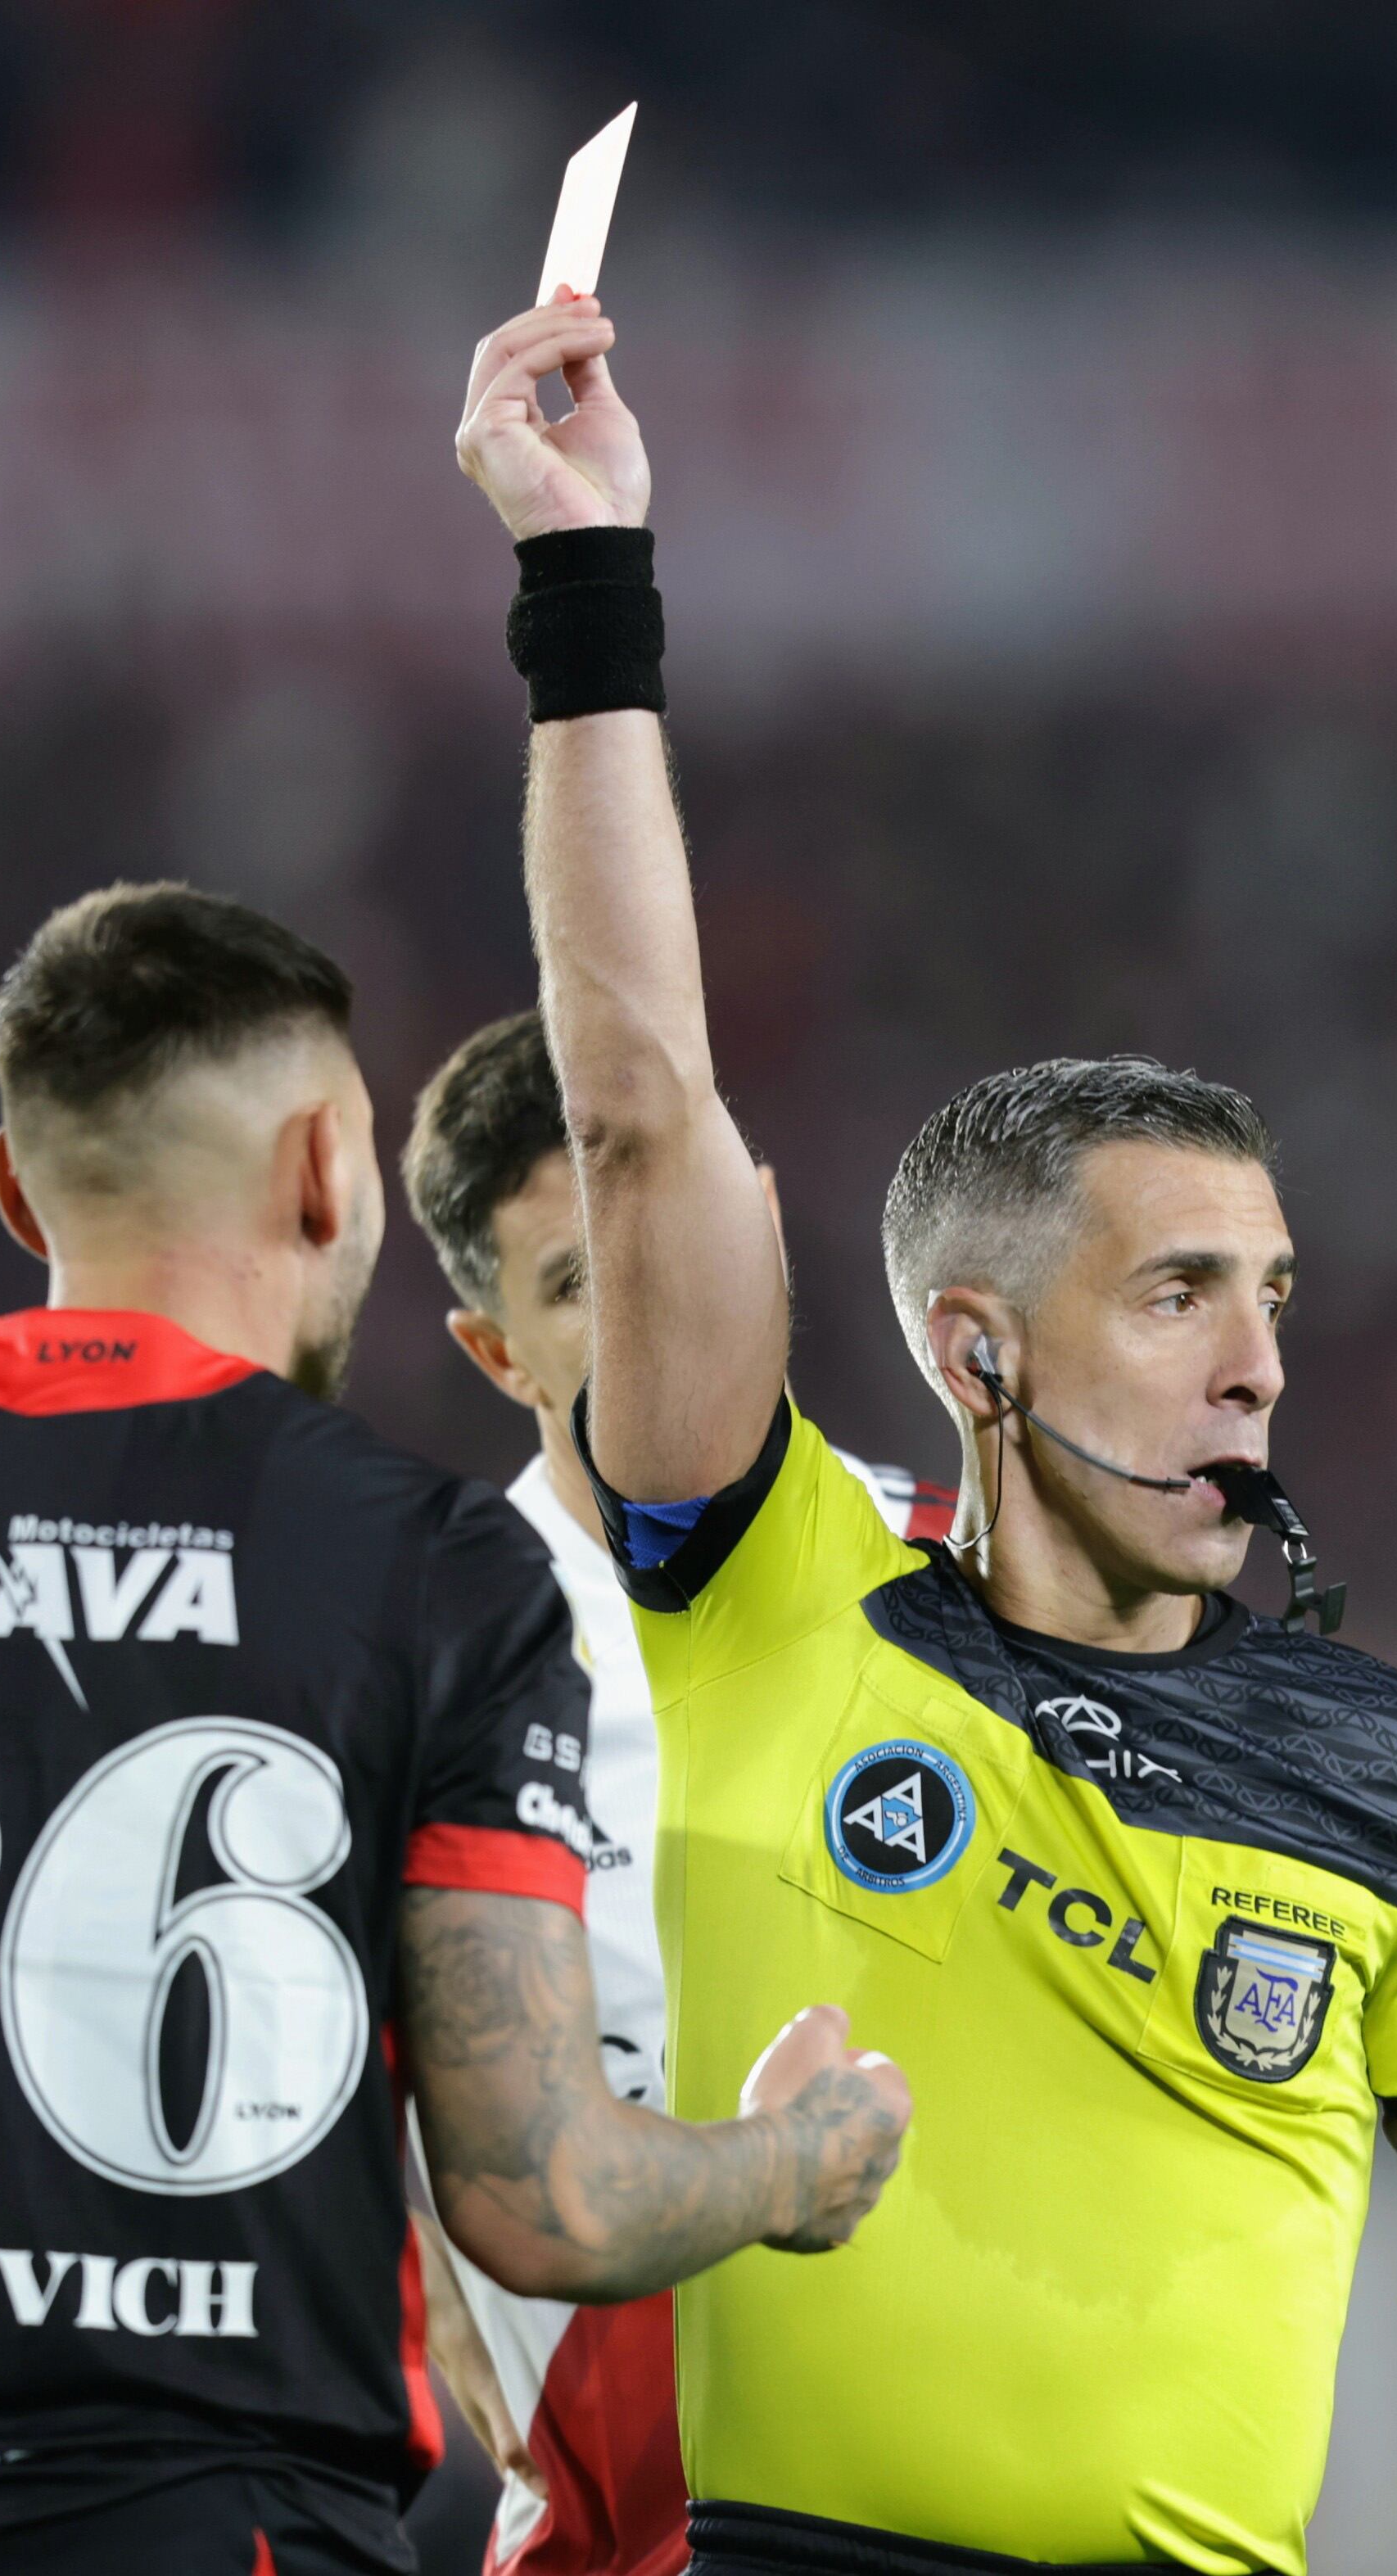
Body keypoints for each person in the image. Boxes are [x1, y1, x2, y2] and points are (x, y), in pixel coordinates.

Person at [451, 299, 1397, 2574]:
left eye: (1273, 1295)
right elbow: (638, 1112)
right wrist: (587, 585)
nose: (1257, 1360)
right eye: (1178, 1294)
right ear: (973, 1355)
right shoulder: (768, 1586)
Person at [0, 884, 914, 2576]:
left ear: (8, 1188)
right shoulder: (431, 1569)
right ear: (321, 1172)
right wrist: (794, 2161)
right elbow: (539, 2192)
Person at [396, 1010, 948, 2576]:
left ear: (757, 1226)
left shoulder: (984, 1583)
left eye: (658, 1243)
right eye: (574, 1280)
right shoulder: (413, 1654)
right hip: (639, 2539)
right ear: (495, 1350)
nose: (639, 1309)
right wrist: (401, 2244)